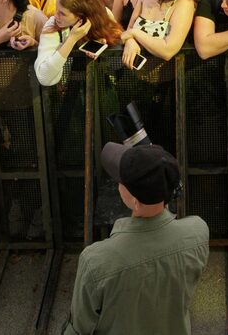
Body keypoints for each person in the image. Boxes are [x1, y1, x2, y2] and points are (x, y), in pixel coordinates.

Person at [64, 141, 209, 335]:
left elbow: (79, 329)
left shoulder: (95, 261)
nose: (118, 183)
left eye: (121, 181)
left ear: (134, 201)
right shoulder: (198, 233)